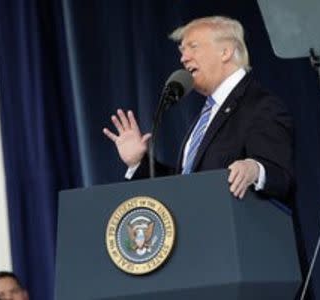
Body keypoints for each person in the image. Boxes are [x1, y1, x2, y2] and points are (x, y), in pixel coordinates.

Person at [103, 16, 294, 204]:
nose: (183, 58)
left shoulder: (260, 105)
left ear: (225, 52)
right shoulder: (209, 113)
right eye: (182, 51)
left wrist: (254, 169)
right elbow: (185, 185)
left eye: (193, 47)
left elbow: (281, 177)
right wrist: (138, 163)